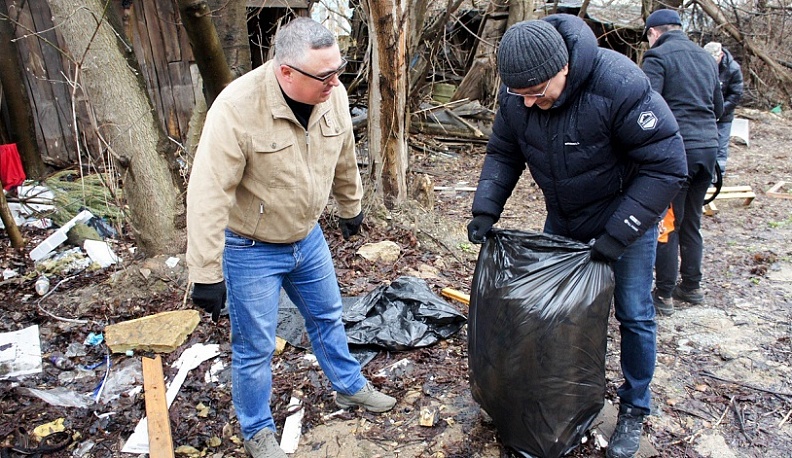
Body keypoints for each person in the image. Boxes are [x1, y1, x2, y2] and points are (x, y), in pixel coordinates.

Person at [466, 14, 687, 458]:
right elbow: (504, 152)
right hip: (565, 217)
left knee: (633, 313)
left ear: (563, 67)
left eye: (537, 92)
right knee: (554, 311)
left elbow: (667, 165)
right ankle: (556, 397)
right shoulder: (518, 95)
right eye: (520, 95)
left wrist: (617, 235)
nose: (529, 104)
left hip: (626, 218)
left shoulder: (619, 83)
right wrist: (486, 208)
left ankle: (634, 407)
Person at [185, 18, 396, 458]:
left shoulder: (332, 96)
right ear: (286, 71)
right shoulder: (237, 109)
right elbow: (208, 192)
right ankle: (257, 430)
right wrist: (205, 271)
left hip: (307, 237)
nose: (336, 82)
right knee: (255, 346)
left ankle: (348, 387)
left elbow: (344, 154)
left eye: (338, 70)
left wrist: (351, 205)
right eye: (325, 75)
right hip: (251, 247)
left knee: (328, 316)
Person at [642, 10, 724, 316]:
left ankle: (663, 294)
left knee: (668, 222)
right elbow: (718, 107)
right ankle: (691, 286)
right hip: (708, 148)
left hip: (677, 151)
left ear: (653, 33)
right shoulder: (706, 58)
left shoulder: (657, 57)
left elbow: (648, 105)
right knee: (692, 219)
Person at [704, 41, 744, 175]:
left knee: (721, 147)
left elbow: (736, 95)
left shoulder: (733, 69)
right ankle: (706, 175)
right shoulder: (701, 65)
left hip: (724, 115)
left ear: (721, 55)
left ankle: (719, 174)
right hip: (705, 114)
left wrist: (720, 111)